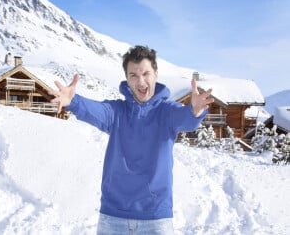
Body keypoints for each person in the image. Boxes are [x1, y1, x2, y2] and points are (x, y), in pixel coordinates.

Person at [50, 45, 214, 235]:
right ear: (127, 79)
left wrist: (195, 110)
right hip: (113, 218)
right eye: (133, 75)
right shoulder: (116, 112)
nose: (141, 81)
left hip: (155, 219)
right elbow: (95, 110)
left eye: (146, 73)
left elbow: (185, 118)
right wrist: (74, 101)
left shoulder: (167, 112)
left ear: (156, 74)